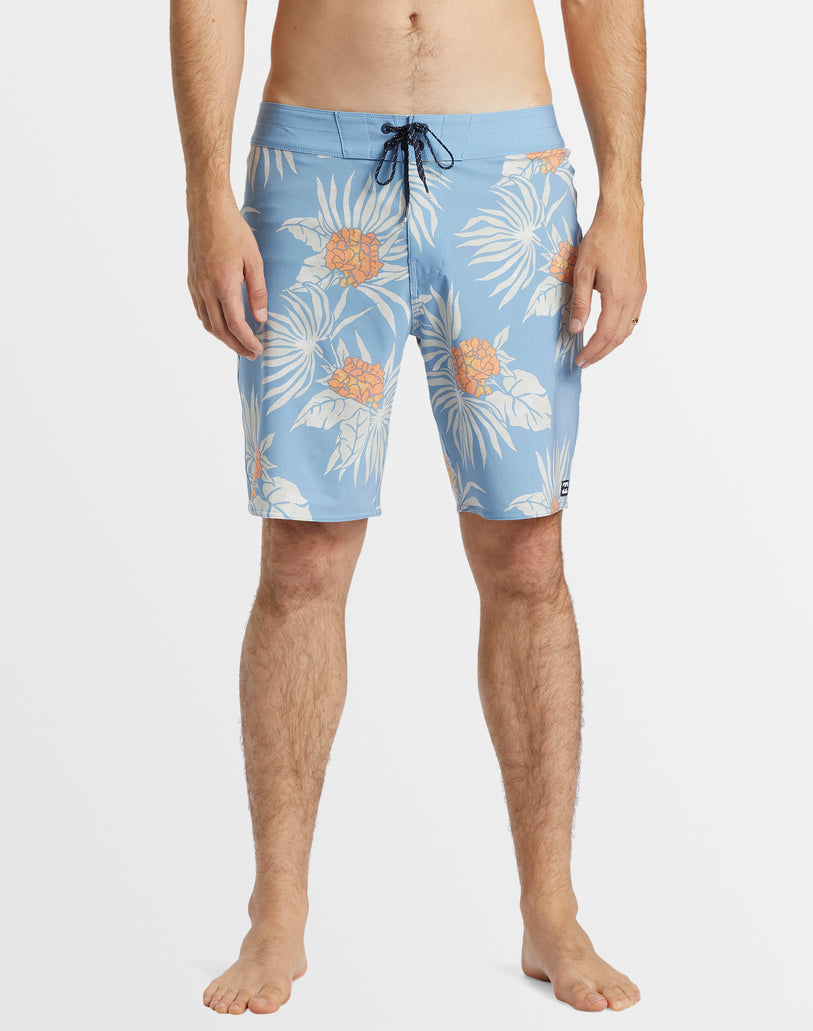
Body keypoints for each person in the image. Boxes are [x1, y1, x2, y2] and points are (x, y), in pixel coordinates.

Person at [170, 0, 646, 1016]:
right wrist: (206, 191)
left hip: (507, 171)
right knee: (301, 555)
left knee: (528, 556)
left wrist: (625, 195)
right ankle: (276, 910)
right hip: (313, 167)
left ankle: (551, 908)